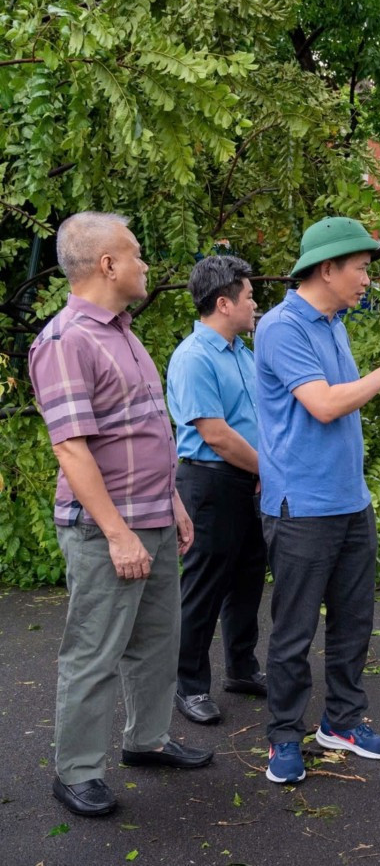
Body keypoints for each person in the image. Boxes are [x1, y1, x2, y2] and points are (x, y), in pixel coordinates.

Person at [29, 212, 213, 818]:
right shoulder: (65, 341)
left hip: (154, 517)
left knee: (158, 641)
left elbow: (145, 429)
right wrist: (117, 533)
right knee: (95, 649)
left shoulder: (122, 332)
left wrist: (174, 503)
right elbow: (71, 447)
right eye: (135, 254)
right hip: (108, 529)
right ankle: (76, 772)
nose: (143, 264)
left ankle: (147, 739)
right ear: (107, 264)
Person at [255, 216, 380, 784]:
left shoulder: (334, 323)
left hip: (350, 503)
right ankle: (284, 734)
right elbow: (325, 405)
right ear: (327, 269)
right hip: (301, 507)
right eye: (360, 268)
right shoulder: (282, 327)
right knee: (294, 630)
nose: (365, 280)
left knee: (355, 623)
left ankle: (343, 722)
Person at [166, 256, 268, 725]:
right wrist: (270, 469)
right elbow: (216, 435)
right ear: (224, 303)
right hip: (210, 481)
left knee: (248, 576)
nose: (254, 304)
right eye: (248, 297)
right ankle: (188, 686)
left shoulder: (242, 353)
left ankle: (242, 668)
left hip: (248, 478)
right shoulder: (194, 356)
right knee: (204, 586)